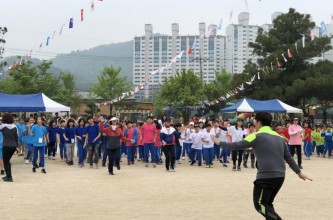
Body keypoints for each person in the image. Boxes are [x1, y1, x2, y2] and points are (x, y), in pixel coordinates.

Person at [211, 112, 312, 220]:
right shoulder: (279, 137)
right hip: (280, 177)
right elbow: (288, 157)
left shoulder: (256, 136)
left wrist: (219, 143)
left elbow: (237, 145)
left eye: (255, 121)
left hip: (266, 177)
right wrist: (299, 172)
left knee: (260, 204)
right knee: (267, 204)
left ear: (259, 122)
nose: (254, 123)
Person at [0, 114, 18, 182]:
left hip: (6, 146)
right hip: (13, 146)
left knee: (6, 162)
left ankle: (9, 177)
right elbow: (16, 137)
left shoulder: (3, 126)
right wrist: (16, 147)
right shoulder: (15, 126)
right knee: (7, 161)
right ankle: (8, 175)